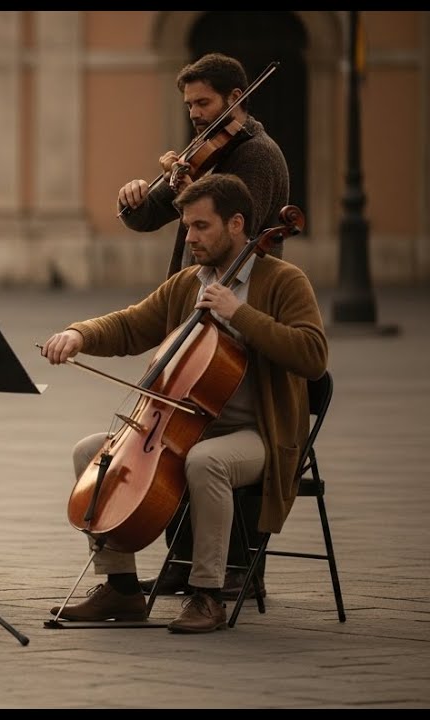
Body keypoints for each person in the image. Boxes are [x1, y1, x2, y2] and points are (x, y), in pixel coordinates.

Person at [41, 173, 327, 633]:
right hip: (184, 428)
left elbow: (313, 356)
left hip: (258, 433)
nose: (189, 237)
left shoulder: (283, 281)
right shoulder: (188, 283)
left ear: (237, 224)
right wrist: (80, 334)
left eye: (200, 226)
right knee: (90, 452)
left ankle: (207, 593)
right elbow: (132, 325)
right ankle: (121, 588)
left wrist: (242, 315)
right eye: (187, 227)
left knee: (206, 461)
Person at [117, 52, 290, 598]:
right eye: (189, 103)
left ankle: (236, 566)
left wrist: (195, 179)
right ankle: (183, 556)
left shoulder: (257, 156)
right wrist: (135, 198)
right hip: (191, 306)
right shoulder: (202, 153)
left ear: (234, 98)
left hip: (235, 310)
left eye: (203, 102)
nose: (194, 113)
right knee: (178, 426)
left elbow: (237, 236)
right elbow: (149, 217)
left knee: (207, 428)